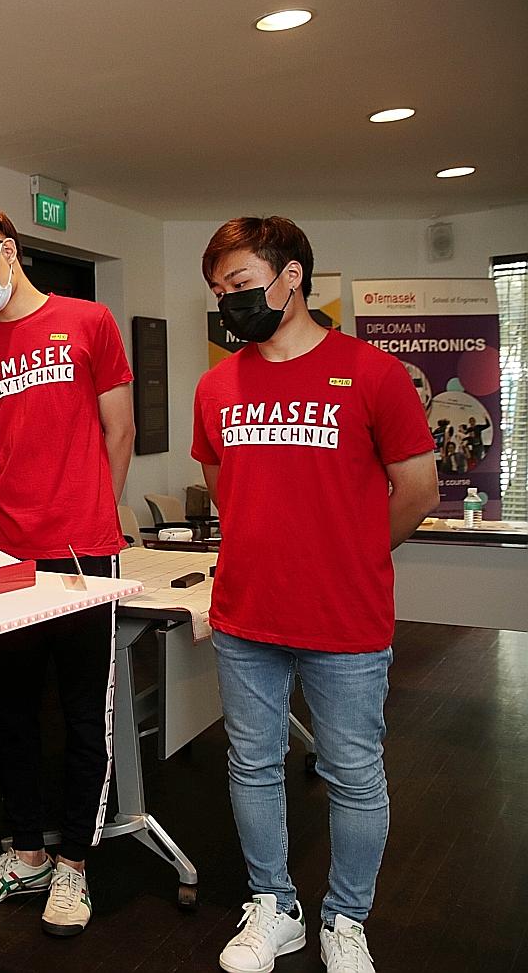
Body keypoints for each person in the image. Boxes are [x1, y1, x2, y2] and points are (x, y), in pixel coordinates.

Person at [191, 217, 437, 973]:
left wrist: (349, 553)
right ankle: (276, 905)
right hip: (245, 614)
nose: (229, 302)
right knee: (253, 764)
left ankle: (346, 918)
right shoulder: (216, 385)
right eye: (218, 291)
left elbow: (419, 489)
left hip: (346, 619)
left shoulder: (372, 373)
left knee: (353, 773)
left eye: (239, 284)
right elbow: (221, 483)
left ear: (291, 276)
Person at [0, 205, 135, 937]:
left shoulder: (89, 321)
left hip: (83, 553)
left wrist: (89, 512)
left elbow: (121, 428)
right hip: (7, 557)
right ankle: (25, 852)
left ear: (8, 251)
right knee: (11, 713)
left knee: (86, 717)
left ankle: (76, 865)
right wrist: (22, 518)